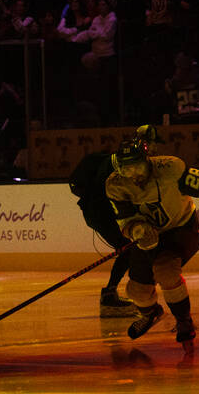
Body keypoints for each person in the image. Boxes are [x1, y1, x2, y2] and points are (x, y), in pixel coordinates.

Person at [105, 135, 199, 350]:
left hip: (182, 229)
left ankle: (184, 321)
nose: (133, 174)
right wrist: (137, 229)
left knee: (165, 271)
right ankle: (152, 313)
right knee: (135, 292)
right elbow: (125, 220)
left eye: (136, 167)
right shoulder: (115, 185)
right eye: (126, 169)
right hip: (148, 238)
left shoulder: (171, 170)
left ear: (147, 160)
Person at [69, 129, 148, 316]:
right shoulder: (115, 167)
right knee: (129, 249)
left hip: (99, 213)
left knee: (129, 248)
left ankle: (112, 293)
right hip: (101, 214)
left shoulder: (115, 163)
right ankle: (110, 295)